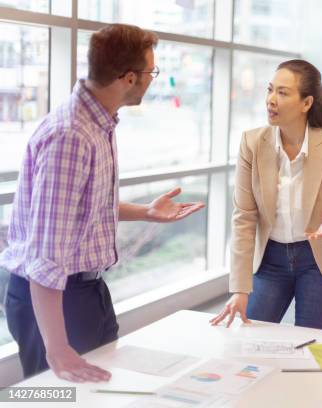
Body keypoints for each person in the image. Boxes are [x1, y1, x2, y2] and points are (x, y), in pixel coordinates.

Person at [0, 24, 204, 382]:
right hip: (54, 296)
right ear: (128, 78)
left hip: (84, 290)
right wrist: (58, 347)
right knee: (64, 398)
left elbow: (82, 209)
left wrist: (147, 212)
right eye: (150, 72)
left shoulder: (99, 124)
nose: (152, 79)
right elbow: (46, 256)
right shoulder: (71, 136)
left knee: (100, 392)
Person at [210, 59, 322, 330]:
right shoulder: (252, 143)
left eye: (282, 92)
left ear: (306, 103)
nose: (271, 100)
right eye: (270, 90)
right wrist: (240, 289)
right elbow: (244, 218)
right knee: (252, 341)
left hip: (319, 260)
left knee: (310, 343)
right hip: (270, 259)